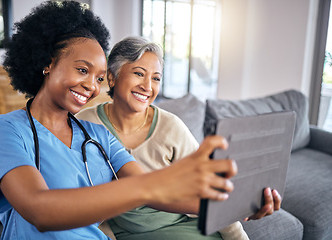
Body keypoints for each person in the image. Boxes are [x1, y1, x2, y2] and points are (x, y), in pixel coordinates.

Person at [0, 2, 240, 239]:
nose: (91, 86)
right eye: (82, 70)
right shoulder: (4, 130)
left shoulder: (98, 136)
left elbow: (157, 195)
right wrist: (156, 184)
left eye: (99, 78)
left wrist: (232, 204)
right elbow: (40, 211)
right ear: (48, 63)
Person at [77, 36, 282, 240]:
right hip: (119, 231)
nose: (147, 86)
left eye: (156, 78)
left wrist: (237, 233)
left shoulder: (171, 127)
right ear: (112, 77)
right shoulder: (84, 123)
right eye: (139, 74)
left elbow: (209, 186)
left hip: (179, 225)